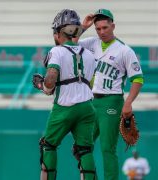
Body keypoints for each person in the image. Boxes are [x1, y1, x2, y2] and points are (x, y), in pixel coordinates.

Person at [77, 9, 144, 180]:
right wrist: (83, 27)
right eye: (98, 29)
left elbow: (137, 79)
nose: (102, 32)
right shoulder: (93, 43)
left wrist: (128, 103)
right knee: (81, 147)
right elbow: (70, 44)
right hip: (91, 101)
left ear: (113, 26)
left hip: (111, 101)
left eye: (105, 28)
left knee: (108, 148)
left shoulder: (124, 50)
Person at [34, 9, 98, 180]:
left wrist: (44, 87)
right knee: (84, 150)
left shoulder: (57, 51)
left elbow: (51, 79)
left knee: (48, 145)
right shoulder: (90, 55)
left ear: (57, 33)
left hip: (64, 106)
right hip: (87, 107)